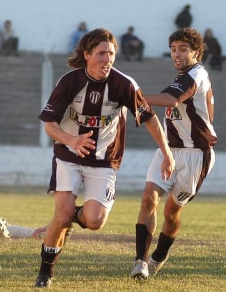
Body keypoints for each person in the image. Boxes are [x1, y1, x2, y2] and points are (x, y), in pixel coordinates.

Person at [34, 28, 174, 288]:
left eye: (111, 54)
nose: (107, 59)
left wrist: (167, 153)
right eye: (101, 53)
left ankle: (68, 217)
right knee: (62, 216)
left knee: (95, 221)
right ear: (87, 55)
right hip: (68, 155)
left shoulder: (124, 85)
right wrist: (72, 140)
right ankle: (45, 274)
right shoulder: (69, 82)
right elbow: (49, 126)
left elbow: (150, 118)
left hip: (104, 161)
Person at [131, 28, 217, 280]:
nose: (176, 54)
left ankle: (160, 255)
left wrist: (135, 98)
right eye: (173, 49)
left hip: (195, 156)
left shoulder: (196, 75)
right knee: (148, 198)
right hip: (169, 150)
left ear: (196, 53)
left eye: (183, 49)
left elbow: (170, 101)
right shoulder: (183, 76)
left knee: (171, 213)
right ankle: (141, 262)